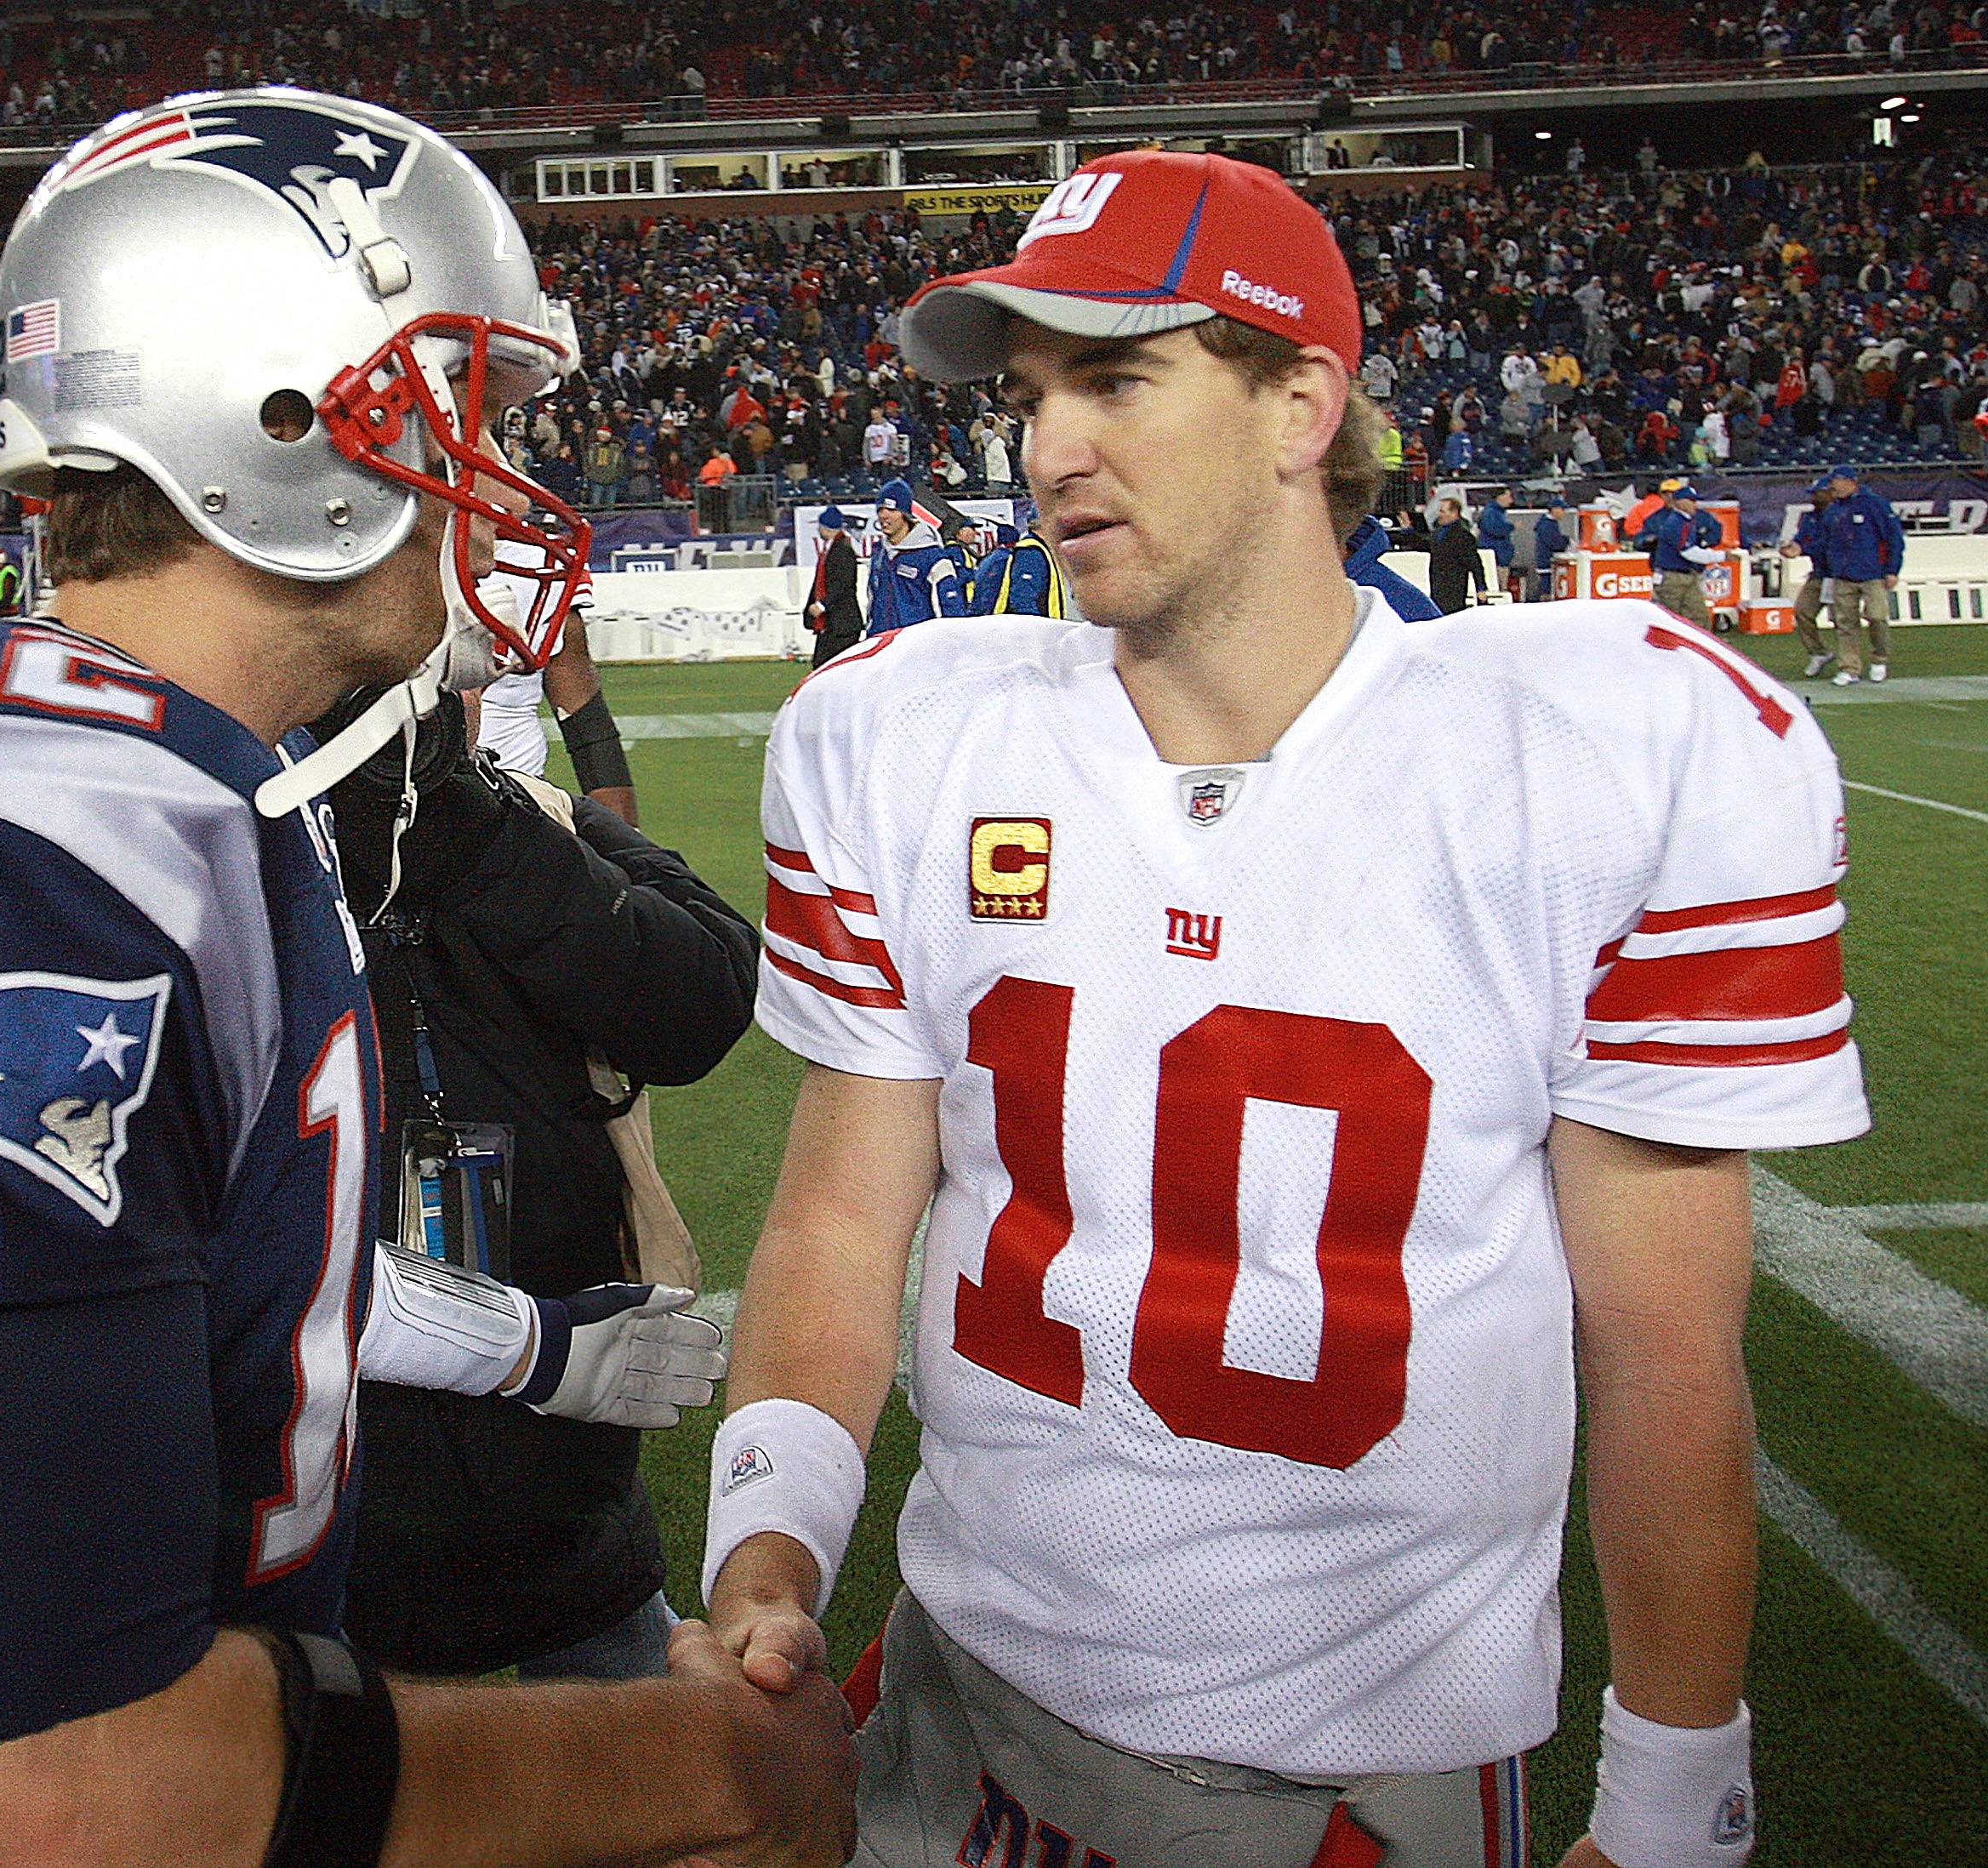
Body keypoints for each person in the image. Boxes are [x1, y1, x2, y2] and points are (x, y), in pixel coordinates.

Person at [0, 89, 853, 1868]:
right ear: (284, 424)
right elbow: (79, 1795)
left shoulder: (160, 776)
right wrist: (703, 1770)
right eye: (460, 412)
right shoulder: (26, 871)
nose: (498, 476)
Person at [712, 146, 1866, 1868]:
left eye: (1117, 377)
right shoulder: (909, 739)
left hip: (1344, 1785)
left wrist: (1673, 1803)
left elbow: (1666, 1357)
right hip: (951, 1702)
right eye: (1031, 395)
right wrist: (771, 1552)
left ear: (1297, 405)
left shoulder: (1586, 758)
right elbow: (836, 1218)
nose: (1047, 447)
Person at [328, 686, 748, 1681]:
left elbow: (704, 998)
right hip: (336, 1493)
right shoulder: (236, 847)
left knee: (622, 1721)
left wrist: (472, 824)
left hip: (569, 1483)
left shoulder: (525, 811)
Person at [474, 557, 640, 823]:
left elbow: (586, 722)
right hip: (407, 796)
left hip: (516, 805)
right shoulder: (388, 549)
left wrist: (626, 836)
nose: (526, 511)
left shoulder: (543, 560)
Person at [1818, 467, 1903, 685]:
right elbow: (1824, 540)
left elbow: (1894, 538)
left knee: (1877, 617)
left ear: (1848, 481)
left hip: (1873, 573)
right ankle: (1850, 667)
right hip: (1843, 575)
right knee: (1845, 623)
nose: (1831, 488)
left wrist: (1892, 569)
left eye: (1834, 482)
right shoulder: (1833, 510)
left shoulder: (1874, 504)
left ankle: (1879, 659)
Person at [863, 481, 965, 635]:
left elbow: (950, 611)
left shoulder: (933, 557)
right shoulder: (879, 553)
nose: (884, 515)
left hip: (918, 646)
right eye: (880, 509)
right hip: (883, 642)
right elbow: (872, 598)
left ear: (905, 514)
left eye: (891, 509)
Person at [1779, 477, 1840, 678]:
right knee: (1803, 611)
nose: (1814, 497)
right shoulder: (1809, 518)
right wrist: (1793, 547)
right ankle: (1819, 652)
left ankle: (1850, 662)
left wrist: (1803, 548)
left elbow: (1830, 542)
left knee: (1842, 620)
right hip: (1819, 573)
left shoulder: (1839, 514)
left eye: (1817, 493)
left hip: (1838, 574)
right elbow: (1802, 538)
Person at [1638, 488, 1717, 632]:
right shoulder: (1674, 523)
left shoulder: (1686, 520)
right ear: (1680, 502)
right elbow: (1688, 552)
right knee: (1667, 621)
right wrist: (1722, 556)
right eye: (1691, 501)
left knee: (1699, 618)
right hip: (1672, 578)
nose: (1695, 505)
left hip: (1687, 575)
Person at [805, 505, 866, 665]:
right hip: (836, 624)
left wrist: (822, 605)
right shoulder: (837, 548)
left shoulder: (842, 550)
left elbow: (843, 585)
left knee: (826, 666)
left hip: (841, 624)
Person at [966, 523, 1065, 618]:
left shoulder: (992, 558)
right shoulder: (1030, 553)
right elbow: (1023, 600)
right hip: (1027, 628)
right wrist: (1036, 631)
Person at [1426, 494, 1487, 612]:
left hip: (1454, 586)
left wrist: (1481, 588)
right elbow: (1425, 544)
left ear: (1454, 513)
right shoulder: (1438, 532)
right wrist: (1409, 531)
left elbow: (1475, 563)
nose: (1440, 514)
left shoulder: (1463, 536)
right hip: (1437, 584)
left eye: (1443, 511)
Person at [1473, 487, 1518, 601]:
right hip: (1496, 558)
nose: (1511, 500)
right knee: (1498, 589)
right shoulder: (1491, 513)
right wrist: (1510, 527)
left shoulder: (1496, 512)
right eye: (1508, 496)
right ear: (1500, 497)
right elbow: (1494, 529)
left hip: (1499, 557)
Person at [1534, 501, 1574, 601]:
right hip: (1546, 562)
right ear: (1554, 509)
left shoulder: (1547, 523)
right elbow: (1554, 542)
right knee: (1546, 590)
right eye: (1562, 510)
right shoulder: (1547, 525)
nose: (1564, 513)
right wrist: (1566, 542)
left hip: (1544, 561)